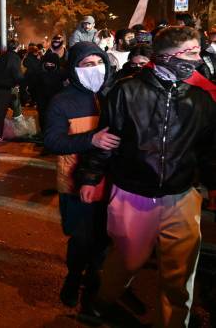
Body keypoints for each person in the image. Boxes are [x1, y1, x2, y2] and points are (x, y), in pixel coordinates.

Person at [78, 27, 216, 327]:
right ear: (165, 56)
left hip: (182, 197)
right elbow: (107, 138)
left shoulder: (201, 101)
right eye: (190, 52)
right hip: (132, 195)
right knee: (127, 260)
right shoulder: (126, 92)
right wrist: (91, 177)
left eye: (197, 51)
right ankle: (101, 300)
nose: (197, 59)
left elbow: (208, 150)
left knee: (180, 276)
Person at [43, 42, 117, 311]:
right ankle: (74, 279)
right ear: (74, 69)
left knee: (104, 240)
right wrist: (91, 139)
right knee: (82, 239)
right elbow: (52, 140)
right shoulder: (62, 101)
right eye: (87, 64)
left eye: (99, 62)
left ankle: (94, 288)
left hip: (110, 183)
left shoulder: (112, 94)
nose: (94, 69)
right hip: (74, 182)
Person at [0, 40, 23, 142]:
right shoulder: (15, 58)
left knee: (9, 105)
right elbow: (16, 72)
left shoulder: (1, 56)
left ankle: (11, 129)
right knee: (2, 111)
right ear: (17, 48)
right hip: (6, 86)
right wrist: (19, 83)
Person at [31, 52, 67, 135]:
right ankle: (46, 134)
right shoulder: (38, 72)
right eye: (48, 63)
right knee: (44, 116)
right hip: (43, 99)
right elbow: (33, 86)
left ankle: (52, 133)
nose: (50, 65)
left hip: (55, 100)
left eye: (52, 63)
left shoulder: (60, 72)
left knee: (53, 116)